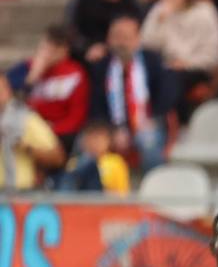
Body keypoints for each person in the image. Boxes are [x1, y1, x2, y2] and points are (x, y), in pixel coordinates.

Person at [89, 14, 173, 171]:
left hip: (147, 123)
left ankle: (153, 191)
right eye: (116, 37)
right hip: (111, 126)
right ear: (108, 39)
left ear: (137, 39)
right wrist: (112, 130)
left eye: (126, 37)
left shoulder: (152, 61)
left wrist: (152, 120)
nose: (121, 43)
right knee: (86, 147)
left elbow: (166, 95)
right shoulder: (101, 67)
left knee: (149, 142)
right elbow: (96, 105)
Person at [140, 0, 218, 122]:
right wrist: (160, 20)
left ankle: (162, 120)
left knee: (172, 79)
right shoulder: (160, 9)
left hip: (197, 67)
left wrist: (186, 63)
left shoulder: (205, 13)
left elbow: (212, 54)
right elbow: (146, 45)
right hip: (165, 66)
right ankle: (144, 119)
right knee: (147, 74)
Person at [8, 26, 90, 154]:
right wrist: (31, 79)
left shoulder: (75, 74)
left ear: (65, 50)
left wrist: (50, 130)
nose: (48, 53)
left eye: (54, 48)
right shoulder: (27, 67)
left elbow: (76, 117)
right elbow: (7, 95)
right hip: (27, 129)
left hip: (59, 134)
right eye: (45, 47)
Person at [0, 75, 66, 190]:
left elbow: (57, 158)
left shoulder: (25, 118)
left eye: (2, 88)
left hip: (19, 196)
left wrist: (26, 148)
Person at [67, 0, 144, 61]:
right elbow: (72, 32)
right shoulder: (83, 2)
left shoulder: (134, 5)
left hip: (123, 52)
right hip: (89, 52)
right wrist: (87, 47)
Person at [57, 118, 132, 193]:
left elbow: (123, 193)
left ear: (109, 140)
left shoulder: (116, 162)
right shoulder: (75, 162)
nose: (95, 143)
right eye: (91, 138)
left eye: (98, 139)